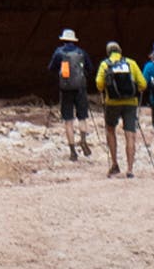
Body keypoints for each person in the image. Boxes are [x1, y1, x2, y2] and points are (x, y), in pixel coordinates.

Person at [93, 41, 143, 178]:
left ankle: (114, 164)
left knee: (110, 129)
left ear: (108, 52)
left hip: (112, 103)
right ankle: (130, 169)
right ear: (120, 51)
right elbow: (143, 83)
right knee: (130, 134)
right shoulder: (131, 63)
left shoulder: (105, 64)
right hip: (131, 103)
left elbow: (99, 84)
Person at [47, 28, 92, 160]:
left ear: (63, 40)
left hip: (66, 89)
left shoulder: (59, 53)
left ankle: (72, 151)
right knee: (82, 117)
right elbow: (90, 68)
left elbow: (51, 68)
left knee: (68, 120)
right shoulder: (81, 52)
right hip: (80, 88)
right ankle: (83, 139)